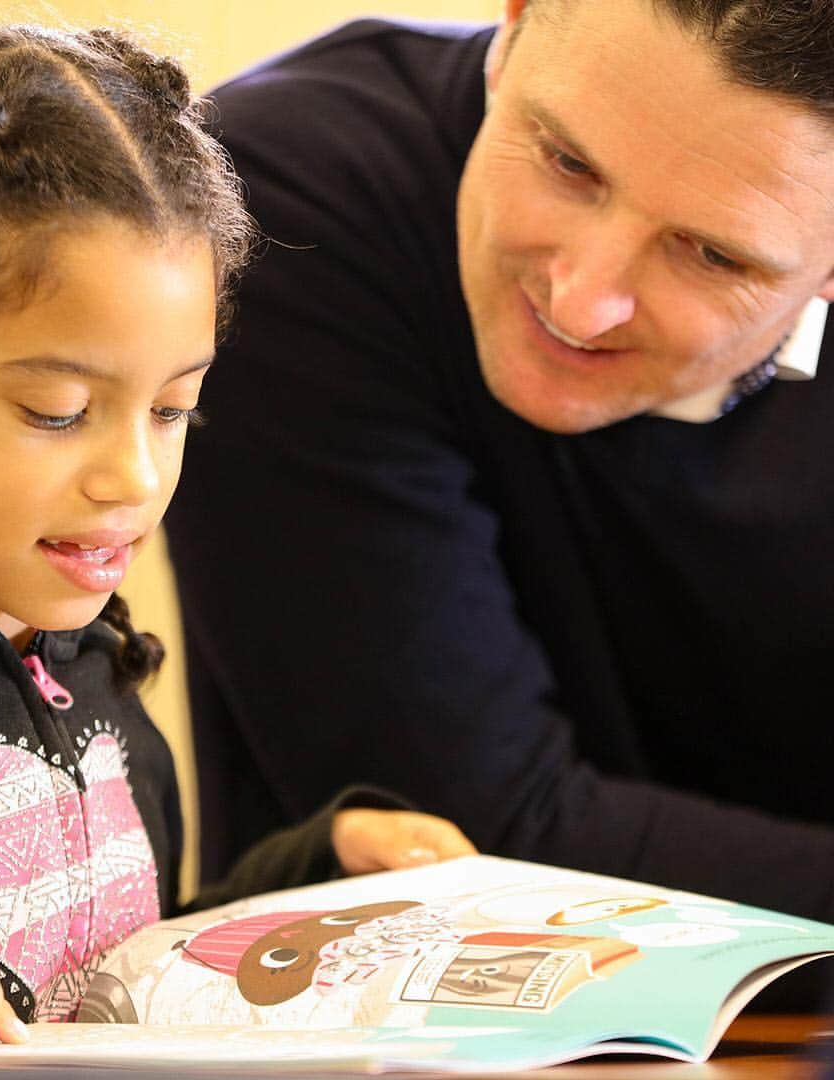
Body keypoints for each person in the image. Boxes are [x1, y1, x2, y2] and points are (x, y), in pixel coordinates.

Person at [0, 23, 475, 1047]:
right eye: (57, 410)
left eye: (173, 410)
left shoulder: (94, 672)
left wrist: (309, 866)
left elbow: (108, 979)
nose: (134, 478)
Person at [164, 0, 834, 928]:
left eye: (713, 254)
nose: (582, 297)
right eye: (567, 164)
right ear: (515, 21)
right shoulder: (286, 201)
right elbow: (470, 838)